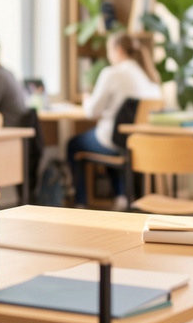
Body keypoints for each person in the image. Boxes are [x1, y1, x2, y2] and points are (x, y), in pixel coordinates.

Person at [67, 32, 162, 208]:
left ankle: (80, 203)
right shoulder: (149, 78)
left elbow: (92, 112)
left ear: (117, 50)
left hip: (115, 141)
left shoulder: (112, 73)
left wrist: (87, 99)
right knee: (114, 141)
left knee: (73, 144)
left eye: (109, 51)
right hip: (138, 144)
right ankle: (120, 196)